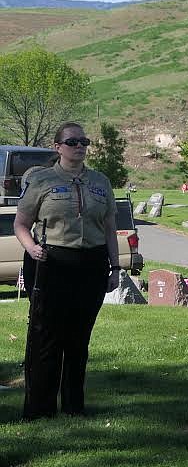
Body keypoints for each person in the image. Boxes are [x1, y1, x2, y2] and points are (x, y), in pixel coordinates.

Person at [16, 123, 121, 419]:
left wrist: (115, 267)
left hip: (91, 264)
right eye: (72, 141)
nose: (79, 146)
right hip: (52, 262)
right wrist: (32, 248)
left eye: (83, 141)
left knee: (79, 337)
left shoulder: (101, 182)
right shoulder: (41, 181)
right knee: (46, 336)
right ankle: (40, 408)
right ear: (58, 146)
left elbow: (110, 227)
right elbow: (21, 224)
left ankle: (75, 406)